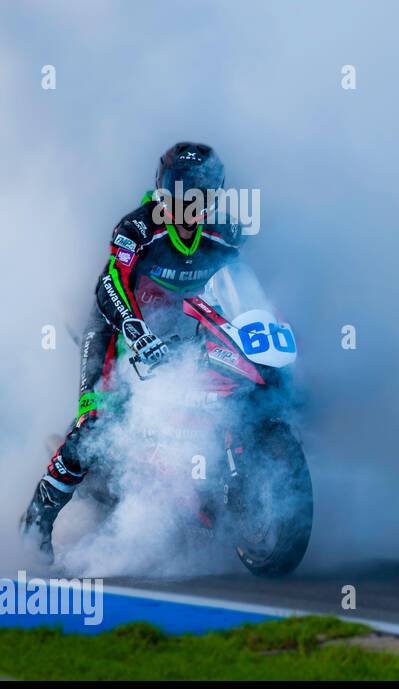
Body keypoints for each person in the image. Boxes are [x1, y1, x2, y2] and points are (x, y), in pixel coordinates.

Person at [18, 142, 242, 560]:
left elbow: (241, 291)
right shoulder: (137, 228)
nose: (186, 198)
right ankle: (37, 521)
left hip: (181, 336)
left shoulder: (226, 235)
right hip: (116, 330)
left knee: (234, 398)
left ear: (214, 195)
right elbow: (108, 285)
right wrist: (135, 330)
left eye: (199, 190)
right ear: (162, 186)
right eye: (178, 186)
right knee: (95, 422)